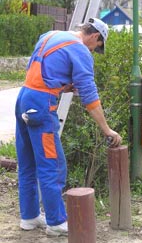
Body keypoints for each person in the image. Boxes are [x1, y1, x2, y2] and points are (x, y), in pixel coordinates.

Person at [15, 17, 122, 236]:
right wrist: (107, 129)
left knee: (27, 164)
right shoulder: (80, 49)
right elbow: (90, 98)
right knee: (52, 165)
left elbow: (42, 72)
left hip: (24, 98)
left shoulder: (50, 35)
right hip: (41, 107)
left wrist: (61, 87)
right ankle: (56, 222)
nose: (93, 51)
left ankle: (29, 217)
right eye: (97, 47)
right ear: (94, 36)